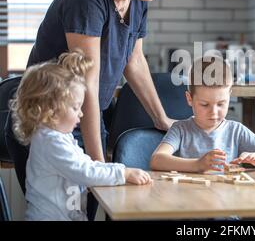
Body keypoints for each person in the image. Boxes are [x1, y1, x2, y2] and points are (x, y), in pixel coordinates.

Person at [26, 0, 189, 162]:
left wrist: (161, 118)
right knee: (63, 198)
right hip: (50, 120)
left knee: (96, 196)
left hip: (85, 115)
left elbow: (134, 60)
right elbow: (87, 83)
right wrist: (98, 163)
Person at [10, 50, 152, 221]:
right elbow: (85, 171)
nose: (81, 114)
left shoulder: (61, 137)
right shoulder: (50, 141)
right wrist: (123, 173)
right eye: (76, 107)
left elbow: (86, 165)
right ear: (51, 109)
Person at [151, 57, 255, 173]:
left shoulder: (236, 131)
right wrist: (198, 164)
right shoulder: (180, 129)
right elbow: (157, 160)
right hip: (190, 197)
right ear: (189, 98)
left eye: (221, 104)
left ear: (229, 96)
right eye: (204, 104)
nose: (214, 112)